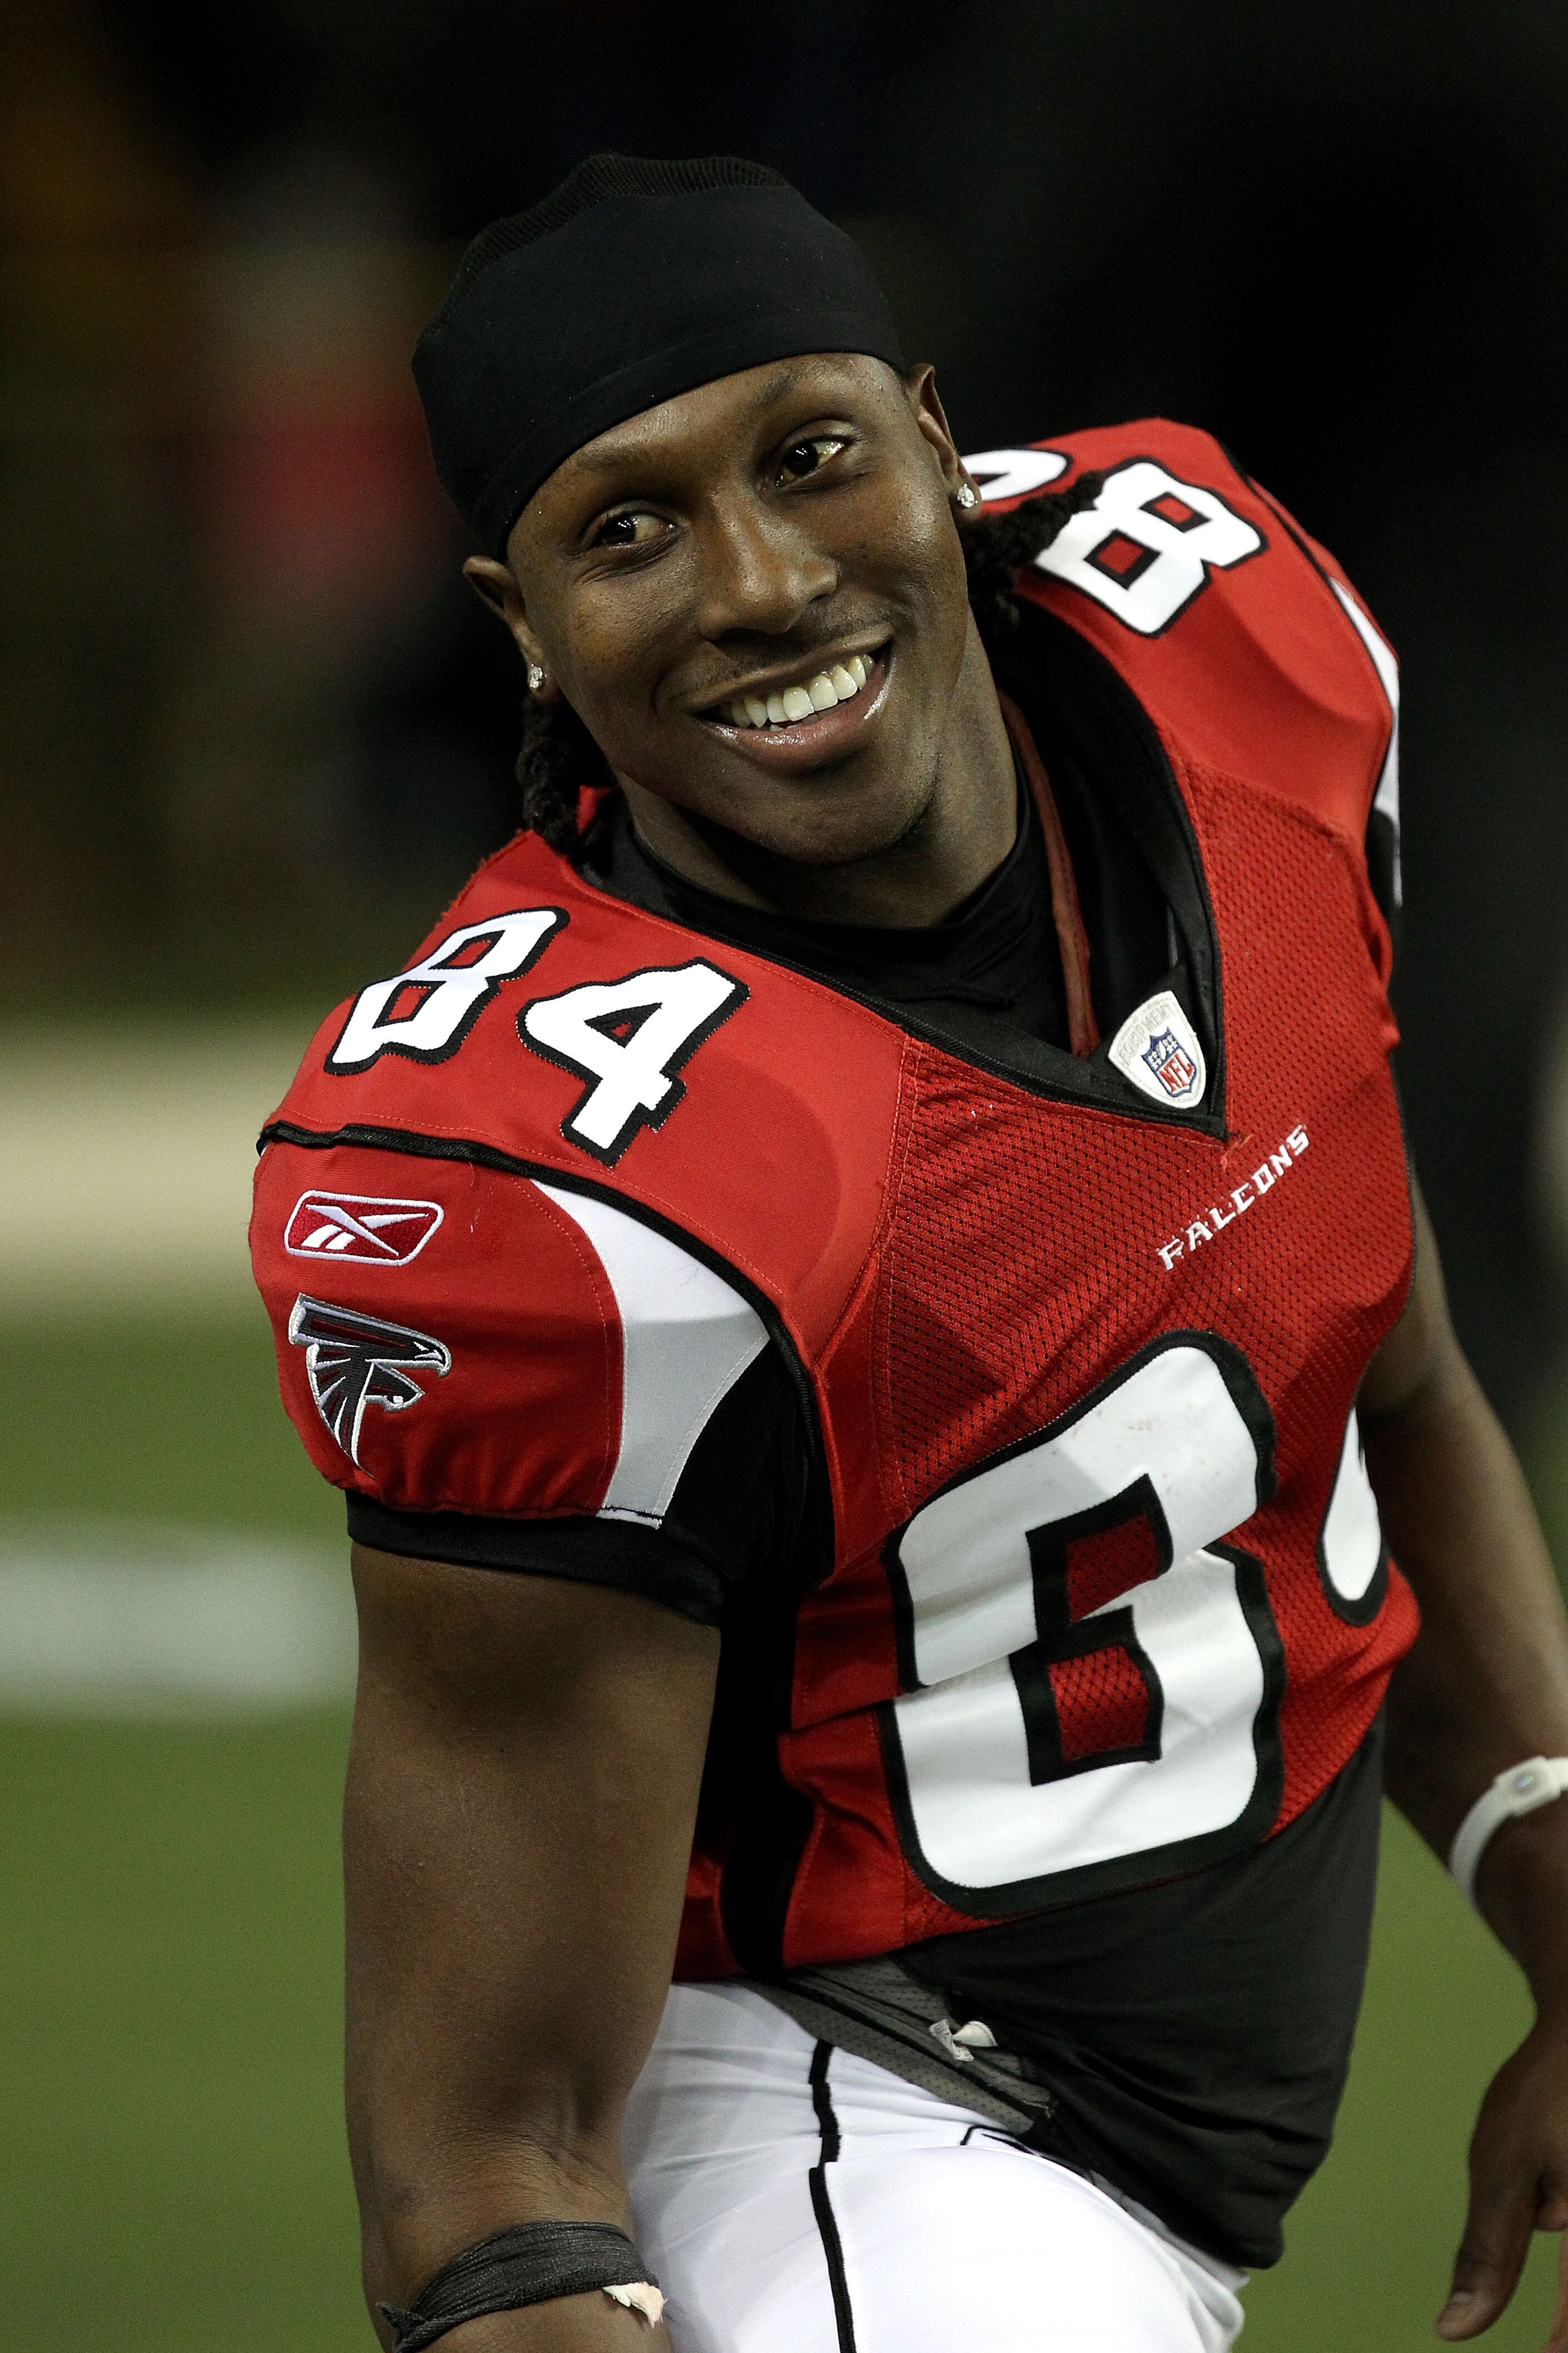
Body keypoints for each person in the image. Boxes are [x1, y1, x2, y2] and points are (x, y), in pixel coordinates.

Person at [250, 153, 1568, 2352]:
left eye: (812, 456)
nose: (761, 579)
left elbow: (1382, 1359)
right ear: (522, 626)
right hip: (869, 2137)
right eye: (627, 526)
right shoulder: (569, 1186)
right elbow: (481, 2169)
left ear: (940, 444)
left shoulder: (1235, 643)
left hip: (1108, 2157)